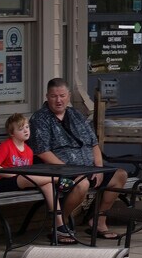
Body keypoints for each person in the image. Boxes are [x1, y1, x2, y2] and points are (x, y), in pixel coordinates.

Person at [30, 79, 125, 243]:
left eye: (62, 96)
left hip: (87, 168)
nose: (58, 100)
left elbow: (93, 143)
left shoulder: (75, 114)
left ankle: (98, 221)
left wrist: (98, 168)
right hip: (59, 173)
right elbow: (42, 152)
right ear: (47, 96)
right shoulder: (39, 119)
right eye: (53, 96)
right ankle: (61, 224)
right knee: (82, 184)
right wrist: (70, 169)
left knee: (120, 175)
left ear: (69, 96)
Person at [0, 111, 58, 217]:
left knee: (48, 185)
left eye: (27, 127)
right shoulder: (6, 146)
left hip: (22, 181)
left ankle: (60, 225)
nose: (26, 131)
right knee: (25, 177)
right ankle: (58, 179)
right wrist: (14, 175)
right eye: (21, 129)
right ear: (12, 133)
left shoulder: (29, 150)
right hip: (2, 183)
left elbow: (28, 172)